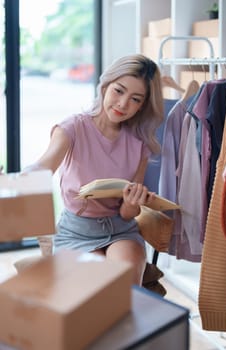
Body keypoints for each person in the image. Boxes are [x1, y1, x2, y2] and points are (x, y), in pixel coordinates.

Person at [25, 54, 164, 286]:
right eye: (119, 91)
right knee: (95, 289)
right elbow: (43, 165)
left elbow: (128, 214)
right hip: (76, 232)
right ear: (105, 85)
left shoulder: (140, 144)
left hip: (122, 231)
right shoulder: (72, 128)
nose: (123, 104)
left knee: (125, 286)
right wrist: (18, 179)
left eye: (135, 99)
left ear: (142, 106)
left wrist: (132, 202)